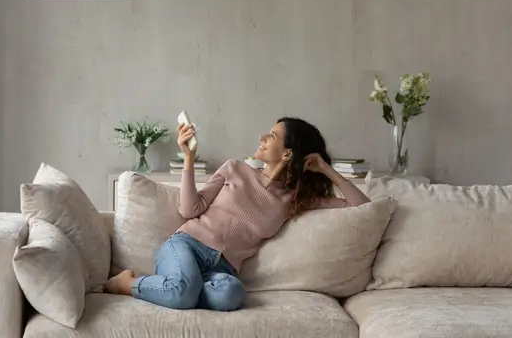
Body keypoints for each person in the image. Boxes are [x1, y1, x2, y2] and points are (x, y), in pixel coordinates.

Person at [104, 117, 370, 311]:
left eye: (273, 136)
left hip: (223, 269)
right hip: (186, 245)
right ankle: (127, 283)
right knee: (183, 292)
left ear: (288, 153)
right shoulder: (235, 169)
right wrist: (188, 157)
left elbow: (361, 206)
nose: (262, 138)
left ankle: (179, 288)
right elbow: (189, 209)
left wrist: (326, 169)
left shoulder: (293, 199)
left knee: (231, 296)